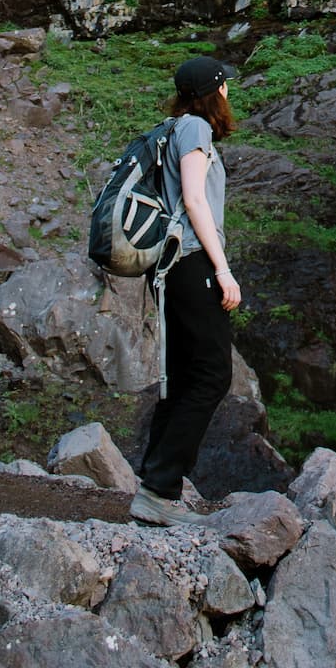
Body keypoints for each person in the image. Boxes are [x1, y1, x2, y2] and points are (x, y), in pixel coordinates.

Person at [129, 54, 241, 526]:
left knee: (182, 376)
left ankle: (156, 487)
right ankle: (159, 487)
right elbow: (194, 200)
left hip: (172, 269)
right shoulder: (195, 128)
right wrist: (224, 269)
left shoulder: (175, 127)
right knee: (212, 375)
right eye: (226, 86)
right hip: (192, 263)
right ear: (213, 92)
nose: (230, 92)